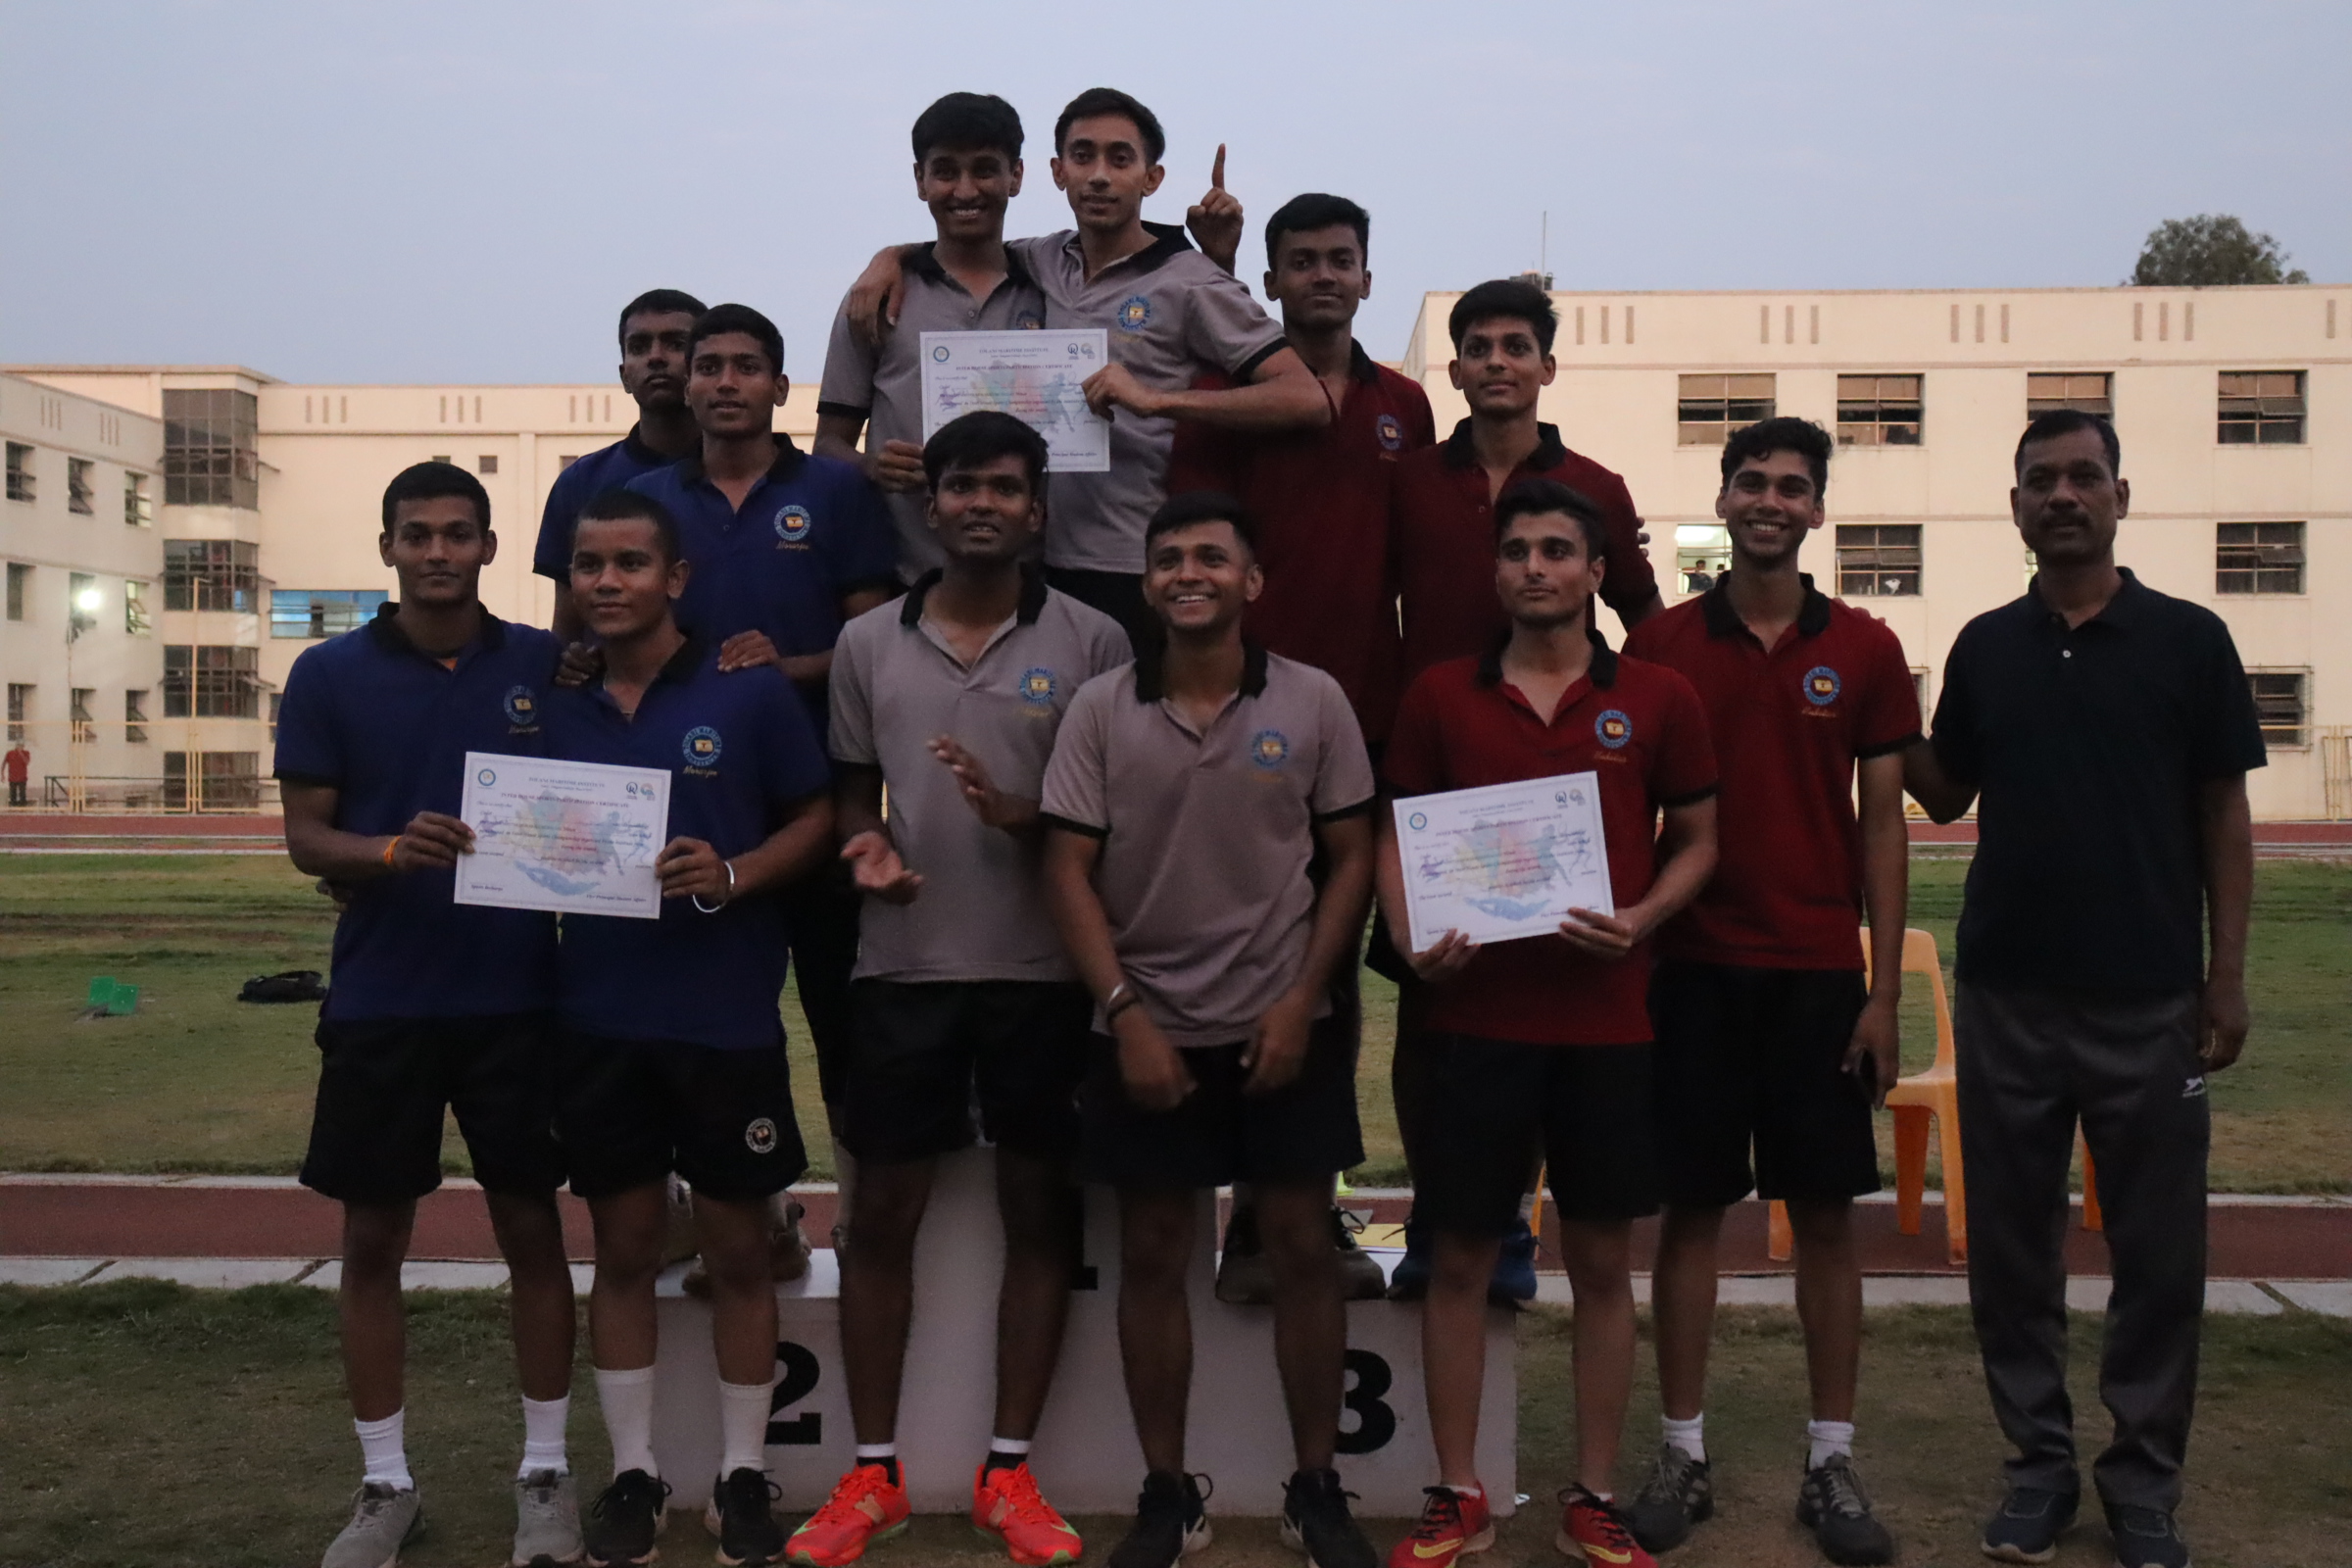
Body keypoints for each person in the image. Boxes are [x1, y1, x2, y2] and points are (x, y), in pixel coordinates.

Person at [1902, 411, 2260, 1568]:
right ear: (2014, 505)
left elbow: (2224, 813)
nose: (2063, 495)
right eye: (2041, 480)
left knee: (2159, 1259)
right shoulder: (1987, 647)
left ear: (2119, 497)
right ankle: (2039, 1471)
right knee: (2015, 1260)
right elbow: (1944, 791)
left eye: (2084, 477)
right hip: (2008, 998)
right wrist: (1869, 699)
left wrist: (2225, 975)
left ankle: (2144, 1485)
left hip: (2150, 1001)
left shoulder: (2190, 640)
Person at [786, 413, 1129, 1567]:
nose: (982, 503)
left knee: (1042, 1215)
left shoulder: (1092, 639)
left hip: (1046, 972)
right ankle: (873, 1474)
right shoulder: (868, 642)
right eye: (962, 485)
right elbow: (852, 791)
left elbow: (1109, 815)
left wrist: (1026, 816)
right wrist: (865, 848)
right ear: (928, 504)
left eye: (1005, 487)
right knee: (881, 1219)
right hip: (904, 967)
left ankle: (1008, 1471)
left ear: (1039, 510)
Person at [1375, 478, 1717, 1568]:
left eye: (1558, 550)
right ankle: (1457, 1491)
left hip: (1607, 1026)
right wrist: (1410, 934)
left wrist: (1642, 918)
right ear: (1495, 571)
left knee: (1603, 1264)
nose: (1535, 566)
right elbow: (1397, 832)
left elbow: (1699, 838)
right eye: (1517, 549)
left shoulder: (1657, 696)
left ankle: (1594, 1495)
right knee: (1459, 1259)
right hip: (1476, 1021)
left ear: (1597, 572)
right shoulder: (1440, 694)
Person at [1039, 492, 1380, 1568]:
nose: (1189, 573)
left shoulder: (1314, 699)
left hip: (1284, 1022)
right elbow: (1066, 868)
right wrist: (1126, 1015)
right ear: (1147, 584)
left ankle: (1315, 1487)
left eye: (1212, 557)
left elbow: (1353, 857)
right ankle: (1166, 1491)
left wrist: (1300, 999)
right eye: (1169, 559)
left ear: (1252, 581)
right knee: (1153, 1250)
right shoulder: (1100, 708)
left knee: (1301, 1247)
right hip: (1145, 1024)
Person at [1619, 418, 1915, 1565]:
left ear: (1817, 511)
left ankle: (1831, 1459)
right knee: (1691, 1210)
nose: (1771, 501)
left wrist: (1882, 992)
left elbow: (1882, 827)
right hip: (1692, 971)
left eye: (1793, 486)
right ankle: (1681, 1452)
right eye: (1753, 481)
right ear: (1724, 497)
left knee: (1828, 1219)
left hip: (1816, 978)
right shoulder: (1661, 643)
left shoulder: (1868, 647)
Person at [274, 461, 579, 1568]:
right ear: (388, 548)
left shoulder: (548, 664)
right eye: (418, 534)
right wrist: (389, 850)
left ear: (491, 547)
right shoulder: (327, 672)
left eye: (458, 533)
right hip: (385, 999)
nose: (438, 551)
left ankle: (545, 1472)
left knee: (534, 1231)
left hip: (518, 996)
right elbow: (307, 838)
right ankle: (384, 1484)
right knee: (372, 1240)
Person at [542, 489, 836, 1568]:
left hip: (723, 1018)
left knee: (738, 1251)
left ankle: (743, 1475)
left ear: (675, 578)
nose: (607, 581)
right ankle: (635, 1473)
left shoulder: (745, 689)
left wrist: (733, 872)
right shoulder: (553, 699)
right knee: (623, 1249)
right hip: (598, 1016)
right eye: (588, 564)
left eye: (630, 563)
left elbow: (816, 817)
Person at [1164, 189, 1433, 1304]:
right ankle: (1229, 1222)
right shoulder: (1227, 399)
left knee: (1328, 970)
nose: (1324, 276)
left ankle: (1301, 1210)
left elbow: (1421, 563)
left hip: (1360, 726)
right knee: (1227, 962)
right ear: (1269, 283)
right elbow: (1189, 548)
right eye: (1303, 261)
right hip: (1234, 725)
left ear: (1368, 276)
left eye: (1341, 259)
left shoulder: (1404, 406)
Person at [848, 87, 1331, 640]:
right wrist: (888, 258)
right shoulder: (1045, 259)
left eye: (1120, 159)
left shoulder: (1190, 279)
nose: (1099, 176)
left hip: (1135, 561)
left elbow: (1306, 398)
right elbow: (961, 237)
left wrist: (1158, 400)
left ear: (1152, 178)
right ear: (1058, 171)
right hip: (1041, 563)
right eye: (1083, 156)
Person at [627, 302, 898, 1154]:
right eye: (709, 367)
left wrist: (791, 668)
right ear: (688, 384)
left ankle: (858, 1209)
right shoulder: (646, 502)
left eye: (746, 367)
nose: (726, 383)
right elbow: (617, 641)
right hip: (693, 803)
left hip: (819, 794)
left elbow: (876, 640)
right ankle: (723, 1204)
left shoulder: (837, 491)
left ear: (781, 387)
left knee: (842, 1019)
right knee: (698, 1021)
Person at [814, 93, 1047, 587]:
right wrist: (871, 466)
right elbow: (829, 444)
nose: (965, 190)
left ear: (1016, 176)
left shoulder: (1053, 286)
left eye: (984, 169)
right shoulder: (876, 299)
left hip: (1037, 579)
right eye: (945, 171)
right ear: (920, 180)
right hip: (907, 579)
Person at [533, 288, 708, 641]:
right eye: (639, 347)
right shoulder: (580, 481)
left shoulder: (740, 475)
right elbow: (567, 627)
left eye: (675, 344)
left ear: (704, 365)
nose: (656, 357)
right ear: (625, 374)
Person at [4, 739, 28, 805]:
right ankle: (13, 807)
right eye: (18, 745)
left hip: (22, 777)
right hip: (12, 777)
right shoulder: (10, 753)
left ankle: (23, 807)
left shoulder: (26, 753)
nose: (20, 747)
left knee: (22, 795)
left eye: (21, 745)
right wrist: (2, 775)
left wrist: (21, 754)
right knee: (12, 795)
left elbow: (26, 762)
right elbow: (4, 763)